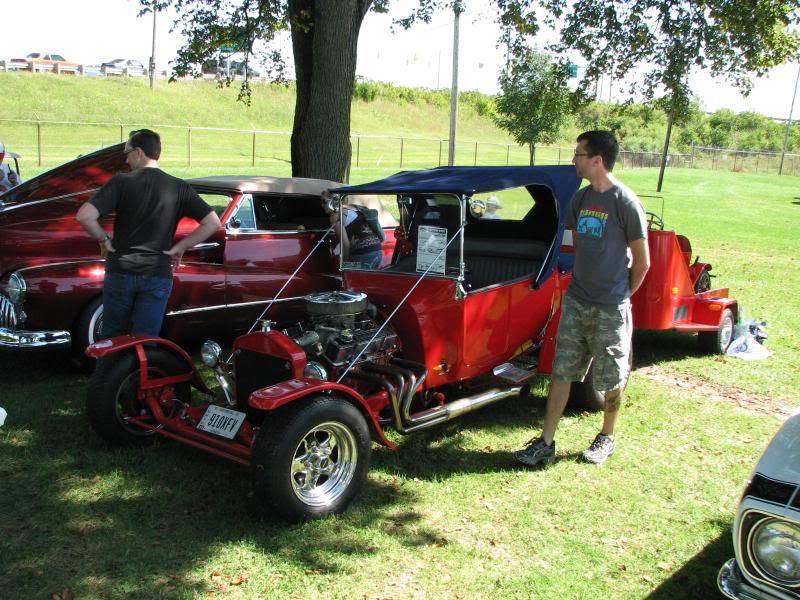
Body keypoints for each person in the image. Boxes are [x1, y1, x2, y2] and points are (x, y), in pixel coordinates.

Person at [515, 130, 650, 466]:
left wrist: (620, 296)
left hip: (611, 306)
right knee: (562, 372)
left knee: (611, 377)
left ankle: (607, 437)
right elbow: (574, 244)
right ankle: (546, 442)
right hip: (577, 301)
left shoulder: (626, 203)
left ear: (597, 160)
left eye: (578, 154)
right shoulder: (580, 200)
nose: (573, 160)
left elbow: (643, 262)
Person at [76, 129, 220, 338]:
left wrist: (104, 239)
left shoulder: (121, 182)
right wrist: (181, 247)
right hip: (157, 273)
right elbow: (212, 222)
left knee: (111, 338)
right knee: (146, 338)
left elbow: (84, 216)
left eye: (127, 152)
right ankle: (140, 370)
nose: (125, 159)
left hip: (121, 271)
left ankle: (109, 370)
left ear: (139, 152)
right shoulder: (179, 187)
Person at [322, 190, 384, 269]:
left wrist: (344, 263)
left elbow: (345, 244)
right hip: (377, 251)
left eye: (324, 201)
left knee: (348, 274)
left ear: (332, 202)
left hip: (363, 254)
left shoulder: (335, 216)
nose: (321, 205)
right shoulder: (353, 207)